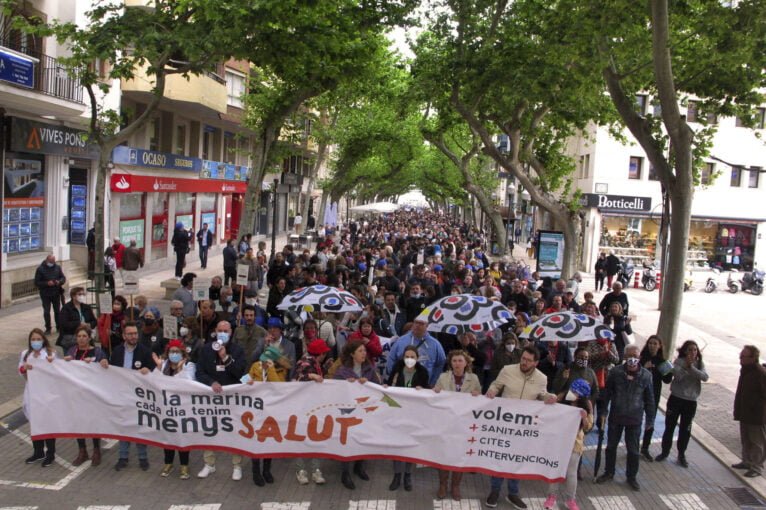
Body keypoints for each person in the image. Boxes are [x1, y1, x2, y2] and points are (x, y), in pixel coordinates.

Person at [485, 345, 557, 509]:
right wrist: (491, 391)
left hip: (524, 427)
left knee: (518, 459)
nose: (524, 362)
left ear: (536, 363)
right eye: (523, 358)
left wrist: (549, 397)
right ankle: (494, 490)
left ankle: (513, 493)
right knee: (500, 456)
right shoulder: (507, 370)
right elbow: (496, 385)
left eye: (528, 360)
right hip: (504, 423)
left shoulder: (541, 378)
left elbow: (542, 394)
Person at [596, 344, 655, 491]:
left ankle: (631, 477)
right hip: (616, 416)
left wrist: (650, 420)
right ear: (624, 357)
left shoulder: (646, 376)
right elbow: (607, 393)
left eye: (635, 356)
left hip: (635, 419)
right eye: (629, 357)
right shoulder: (615, 372)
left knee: (633, 451)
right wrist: (603, 411)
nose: (632, 359)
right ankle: (609, 472)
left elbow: (649, 399)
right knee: (610, 447)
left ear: (639, 357)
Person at [99, 322, 156, 471]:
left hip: (139, 396)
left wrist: (148, 369)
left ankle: (143, 458)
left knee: (139, 426)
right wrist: (104, 363)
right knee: (123, 426)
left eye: (135, 333)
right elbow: (111, 370)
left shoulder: (145, 351)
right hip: (122, 395)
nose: (133, 336)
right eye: (130, 334)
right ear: (124, 336)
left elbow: (154, 370)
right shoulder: (117, 351)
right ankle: (123, 457)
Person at [195, 319, 247, 480]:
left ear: (231, 333)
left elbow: (240, 373)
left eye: (226, 331)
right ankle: (209, 464)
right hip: (212, 399)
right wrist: (212, 382)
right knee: (210, 430)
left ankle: (237, 465)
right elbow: (200, 372)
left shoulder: (238, 350)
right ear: (215, 332)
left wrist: (225, 358)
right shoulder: (206, 350)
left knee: (235, 431)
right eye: (220, 330)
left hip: (232, 399)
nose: (223, 333)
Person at [433, 349, 481, 500]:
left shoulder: (474, 379)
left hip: (464, 425)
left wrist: (477, 395)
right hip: (446, 424)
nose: (457, 363)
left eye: (460, 360)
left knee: (459, 456)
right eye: (454, 361)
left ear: (466, 363)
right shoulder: (443, 377)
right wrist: (435, 391)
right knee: (444, 455)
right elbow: (435, 398)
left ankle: (455, 486)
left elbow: (480, 403)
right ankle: (442, 484)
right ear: (450, 363)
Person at [333, 341, 381, 490]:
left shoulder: (369, 369)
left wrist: (369, 383)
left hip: (364, 411)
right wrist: (346, 385)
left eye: (365, 351)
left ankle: (360, 466)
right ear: (352, 354)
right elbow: (333, 390)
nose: (364, 353)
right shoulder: (342, 371)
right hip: (348, 413)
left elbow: (378, 387)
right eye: (360, 351)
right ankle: (345, 473)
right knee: (347, 442)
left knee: (363, 439)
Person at [655, 340, 708, 467]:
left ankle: (681, 454)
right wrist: (685, 367)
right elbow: (678, 377)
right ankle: (665, 451)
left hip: (690, 401)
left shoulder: (699, 364)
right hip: (676, 399)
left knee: (686, 428)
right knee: (670, 426)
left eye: (695, 350)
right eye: (690, 349)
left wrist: (692, 368)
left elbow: (705, 377)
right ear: (685, 351)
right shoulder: (678, 362)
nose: (692, 352)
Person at [543, 380, 593, 510]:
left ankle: (570, 499)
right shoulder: (562, 397)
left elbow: (588, 427)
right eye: (572, 390)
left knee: (571, 473)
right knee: (555, 469)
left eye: (576, 392)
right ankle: (551, 497)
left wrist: (584, 418)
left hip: (575, 443)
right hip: (558, 441)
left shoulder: (587, 405)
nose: (573, 393)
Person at [386, 345, 431, 492]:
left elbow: (427, 392)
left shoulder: (423, 372)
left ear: (417, 358)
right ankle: (397, 475)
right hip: (397, 413)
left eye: (412, 357)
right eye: (407, 356)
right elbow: (389, 386)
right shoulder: (397, 369)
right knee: (397, 445)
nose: (409, 359)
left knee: (410, 445)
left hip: (414, 415)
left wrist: (422, 390)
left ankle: (407, 475)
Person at [149, 339, 196, 479]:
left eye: (177, 352)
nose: (174, 354)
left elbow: (188, 383)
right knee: (168, 436)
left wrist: (180, 370)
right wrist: (158, 369)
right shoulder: (163, 365)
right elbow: (153, 382)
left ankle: (184, 465)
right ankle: (168, 463)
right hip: (166, 408)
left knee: (183, 437)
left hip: (183, 409)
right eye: (171, 351)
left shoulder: (189, 365)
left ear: (182, 353)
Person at [244, 345, 290, 486]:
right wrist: (247, 381)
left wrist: (270, 369)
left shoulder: (281, 370)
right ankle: (256, 471)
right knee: (255, 440)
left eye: (267, 361)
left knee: (268, 440)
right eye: (263, 360)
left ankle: (267, 470)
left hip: (271, 409)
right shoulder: (255, 366)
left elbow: (278, 386)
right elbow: (245, 378)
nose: (263, 363)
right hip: (255, 408)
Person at [64, 324, 106, 466]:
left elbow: (104, 369)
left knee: (93, 421)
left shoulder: (97, 352)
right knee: (78, 421)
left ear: (89, 338)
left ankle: (96, 450)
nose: (81, 339)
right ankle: (82, 450)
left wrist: (98, 364)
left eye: (84, 336)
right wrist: (65, 363)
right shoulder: (72, 351)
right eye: (79, 336)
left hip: (91, 393)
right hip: (76, 393)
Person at [293, 339, 332, 485]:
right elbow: (297, 378)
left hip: (314, 407)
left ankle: (314, 470)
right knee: (303, 439)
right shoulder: (304, 363)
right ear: (320, 353)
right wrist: (311, 376)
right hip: (303, 408)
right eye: (324, 353)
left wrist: (325, 369)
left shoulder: (314, 363)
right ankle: (301, 470)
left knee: (314, 438)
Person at [19, 328, 57, 466]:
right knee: (35, 423)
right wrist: (24, 368)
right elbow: (22, 372)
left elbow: (56, 372)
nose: (36, 342)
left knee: (47, 423)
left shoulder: (50, 353)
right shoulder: (25, 354)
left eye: (38, 339)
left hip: (46, 393)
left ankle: (51, 453)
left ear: (43, 340)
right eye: (33, 339)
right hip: (32, 393)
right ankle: (38, 452)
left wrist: (51, 363)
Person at [733, 345, 766, 478]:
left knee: (757, 442)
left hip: (756, 415)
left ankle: (757, 467)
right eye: (740, 355)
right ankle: (747, 461)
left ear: (753, 358)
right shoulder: (746, 370)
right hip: (744, 412)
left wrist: (755, 405)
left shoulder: (760, 373)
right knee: (746, 439)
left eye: (743, 356)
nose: (740, 358)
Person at [638, 335, 673, 461]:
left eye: (655, 344)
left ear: (659, 346)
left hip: (653, 396)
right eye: (650, 343)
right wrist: (644, 368)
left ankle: (645, 447)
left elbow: (667, 380)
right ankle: (634, 446)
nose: (652, 346)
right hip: (639, 395)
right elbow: (634, 375)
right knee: (636, 421)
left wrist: (669, 370)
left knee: (650, 421)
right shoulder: (641, 359)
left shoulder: (661, 361)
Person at [386, 317, 446, 388]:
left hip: (425, 387)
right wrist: (395, 377)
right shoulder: (401, 341)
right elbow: (391, 359)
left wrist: (433, 382)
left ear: (427, 326)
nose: (418, 325)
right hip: (401, 386)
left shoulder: (435, 344)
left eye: (421, 323)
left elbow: (441, 363)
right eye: (416, 322)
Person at [34, 253, 66, 335]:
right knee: (46, 311)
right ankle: (48, 328)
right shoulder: (40, 269)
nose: (52, 263)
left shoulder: (57, 267)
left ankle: (58, 327)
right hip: (45, 293)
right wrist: (47, 283)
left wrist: (59, 282)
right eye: (51, 261)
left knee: (57, 311)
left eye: (53, 261)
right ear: (47, 260)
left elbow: (63, 278)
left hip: (56, 292)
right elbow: (37, 282)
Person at [57, 286, 97, 351]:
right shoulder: (66, 308)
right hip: (71, 339)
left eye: (83, 294)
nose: (82, 296)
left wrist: (89, 325)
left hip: (86, 338)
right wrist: (79, 324)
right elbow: (64, 324)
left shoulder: (86, 307)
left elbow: (94, 321)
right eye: (79, 294)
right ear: (73, 296)